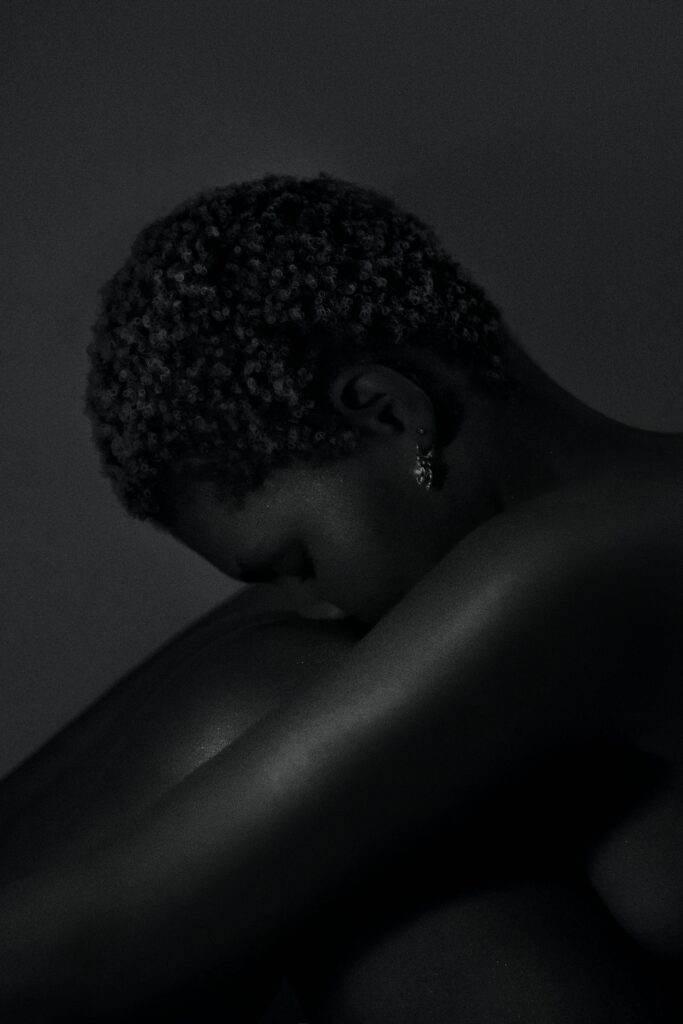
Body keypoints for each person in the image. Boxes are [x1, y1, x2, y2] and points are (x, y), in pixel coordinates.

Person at [1, 172, 682, 1022]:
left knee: (274, 694)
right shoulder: (622, 524)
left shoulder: (577, 568)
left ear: (390, 413)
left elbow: (98, 936)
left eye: (297, 559)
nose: (315, 603)